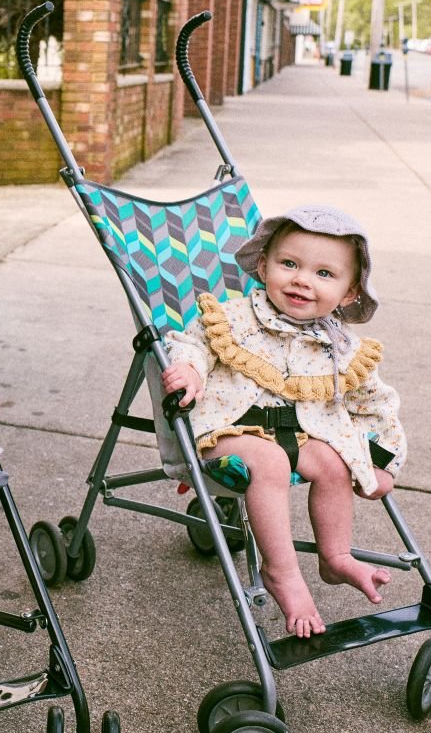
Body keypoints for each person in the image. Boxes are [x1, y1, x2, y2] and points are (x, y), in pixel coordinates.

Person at [161, 205, 406, 639]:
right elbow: (192, 342)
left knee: (334, 464)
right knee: (270, 462)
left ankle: (335, 556)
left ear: (349, 294)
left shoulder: (341, 346)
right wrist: (191, 370)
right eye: (288, 264)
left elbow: (376, 403)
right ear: (263, 266)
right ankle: (283, 572)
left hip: (302, 432)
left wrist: (383, 462)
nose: (302, 279)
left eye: (324, 274)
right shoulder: (232, 317)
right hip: (229, 429)